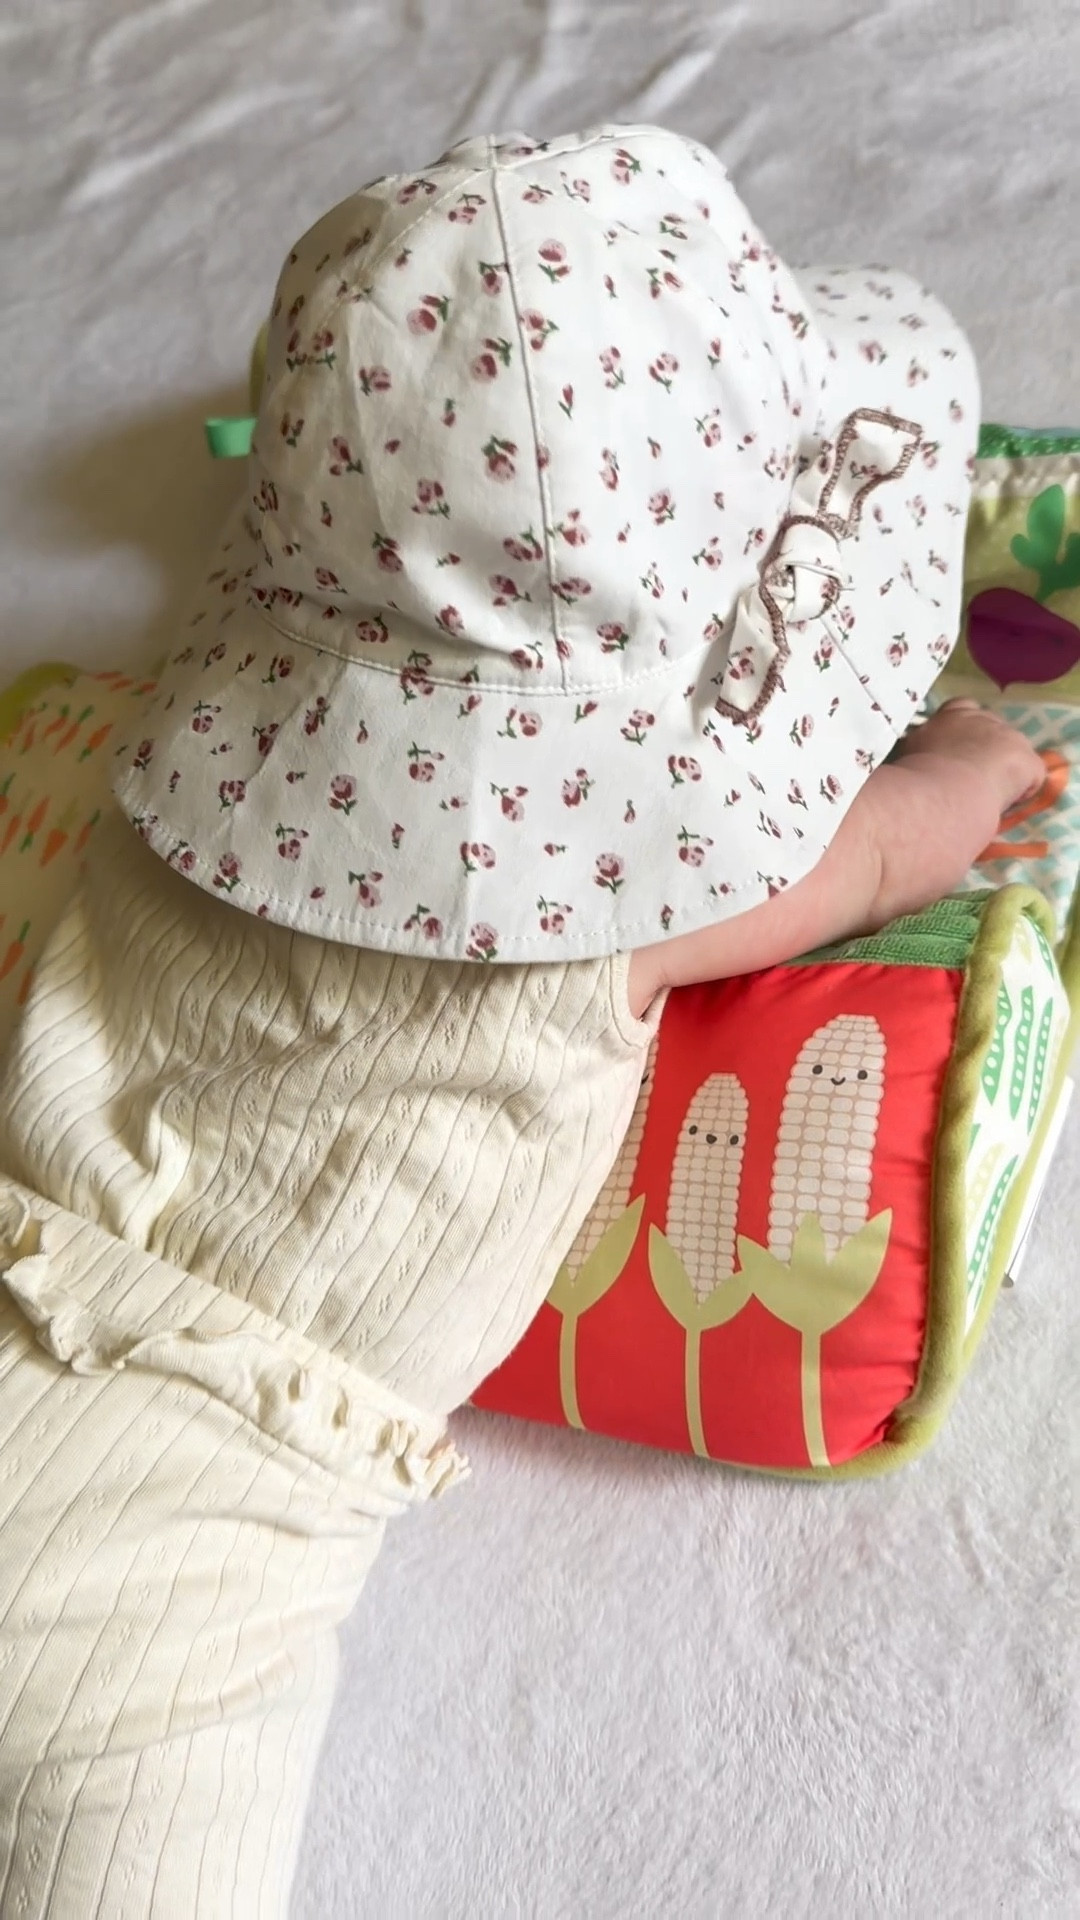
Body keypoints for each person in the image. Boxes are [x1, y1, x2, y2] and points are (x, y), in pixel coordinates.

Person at [0, 125, 1041, 1916]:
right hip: (169, 1608)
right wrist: (964, 768)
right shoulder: (601, 921)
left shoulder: (193, 766)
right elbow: (883, 856)